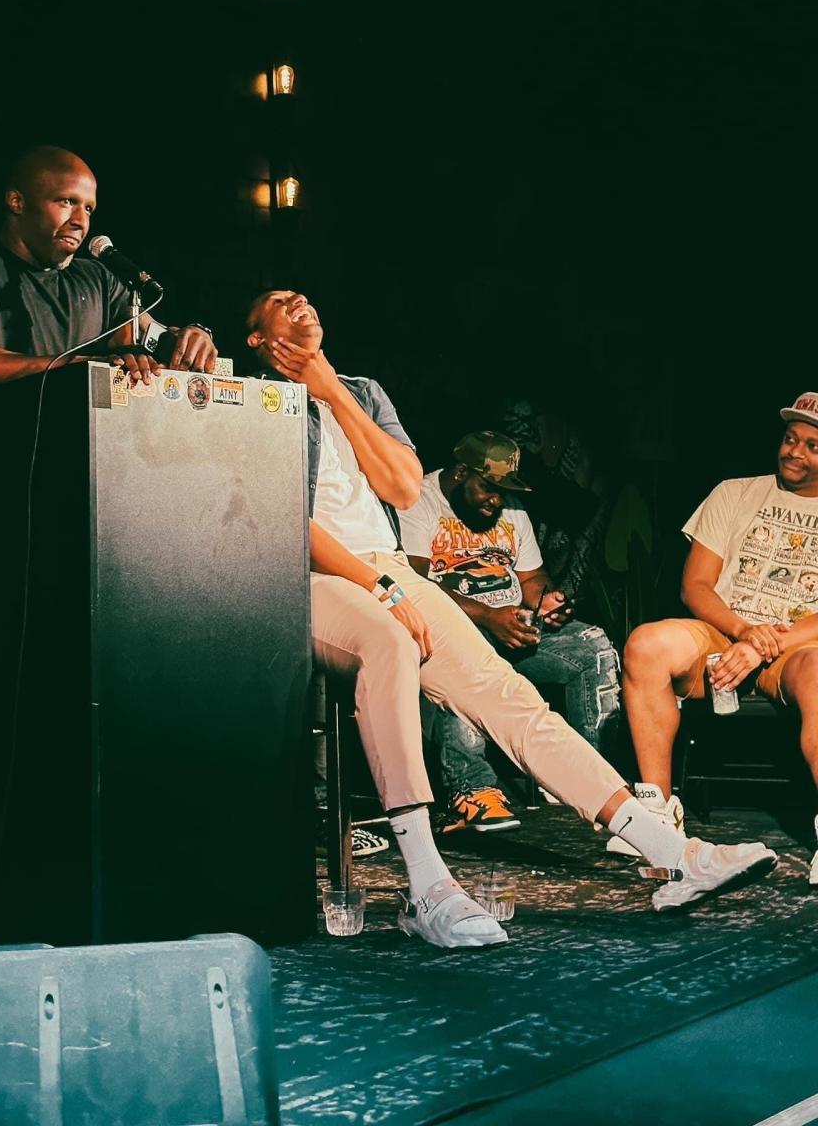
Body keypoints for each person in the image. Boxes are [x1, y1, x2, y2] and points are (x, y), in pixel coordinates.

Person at [246, 288, 777, 948]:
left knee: (510, 696)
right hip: (313, 576)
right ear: (256, 337)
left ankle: (674, 853)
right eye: (276, 299)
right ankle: (428, 887)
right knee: (389, 641)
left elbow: (404, 485)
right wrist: (379, 586)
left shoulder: (361, 390)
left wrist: (332, 389)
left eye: (302, 295)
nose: (296, 299)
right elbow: (281, 517)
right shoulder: (253, 395)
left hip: (387, 569)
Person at [0, 144, 217, 940]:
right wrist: (75, 367)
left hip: (70, 523)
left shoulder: (104, 282)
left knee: (63, 706)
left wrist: (190, 339)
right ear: (15, 201)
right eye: (63, 204)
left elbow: (153, 336)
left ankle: (60, 894)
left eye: (89, 208)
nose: (79, 220)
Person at [620, 393, 818, 878]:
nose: (794, 452)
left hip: (799, 649)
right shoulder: (735, 492)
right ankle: (656, 815)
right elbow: (696, 585)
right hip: (721, 634)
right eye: (790, 439)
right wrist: (744, 633)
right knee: (645, 644)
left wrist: (763, 645)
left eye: (812, 446)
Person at [399, 431, 619, 833]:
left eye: (503, 491)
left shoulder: (511, 510)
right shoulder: (418, 499)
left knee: (594, 648)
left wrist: (547, 602)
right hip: (458, 632)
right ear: (461, 472)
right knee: (466, 652)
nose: (496, 500)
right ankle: (472, 791)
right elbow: (413, 584)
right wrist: (486, 617)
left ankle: (590, 779)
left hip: (512, 629)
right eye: (488, 488)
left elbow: (532, 579)